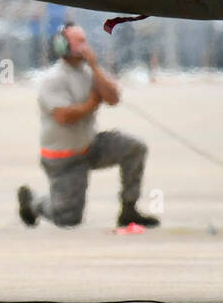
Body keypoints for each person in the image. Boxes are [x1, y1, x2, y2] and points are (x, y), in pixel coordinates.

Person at [17, 24, 159, 229]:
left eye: (85, 40)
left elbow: (113, 98)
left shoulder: (88, 72)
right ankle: (33, 203)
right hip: (64, 158)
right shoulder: (54, 78)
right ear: (62, 45)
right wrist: (92, 103)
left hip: (90, 145)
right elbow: (64, 116)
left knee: (134, 147)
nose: (85, 46)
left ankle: (129, 209)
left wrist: (95, 67)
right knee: (68, 218)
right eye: (79, 42)